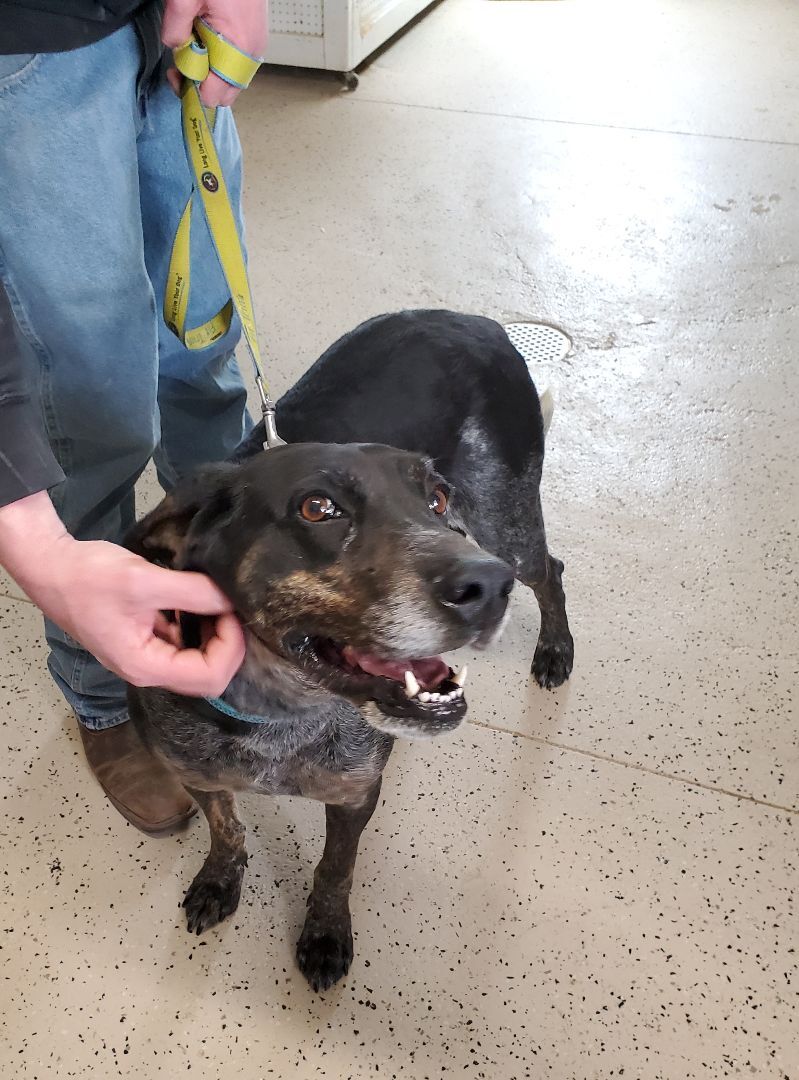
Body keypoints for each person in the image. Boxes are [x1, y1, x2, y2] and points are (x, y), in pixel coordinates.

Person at [0, 0, 267, 833]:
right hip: (27, 48)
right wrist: (35, 548)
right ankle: (102, 693)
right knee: (89, 410)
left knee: (200, 348)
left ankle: (238, 611)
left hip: (168, 33)